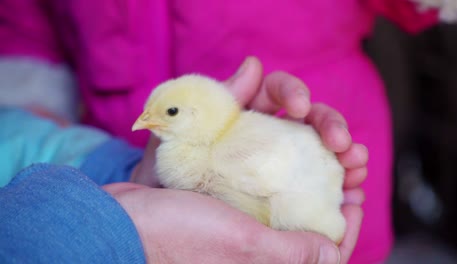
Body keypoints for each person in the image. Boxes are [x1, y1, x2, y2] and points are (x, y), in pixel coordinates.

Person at [0, 63, 368, 263]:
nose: (146, 122)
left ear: (196, 114)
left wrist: (128, 182)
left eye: (169, 113)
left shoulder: (231, 150)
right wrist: (132, 235)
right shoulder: (205, 144)